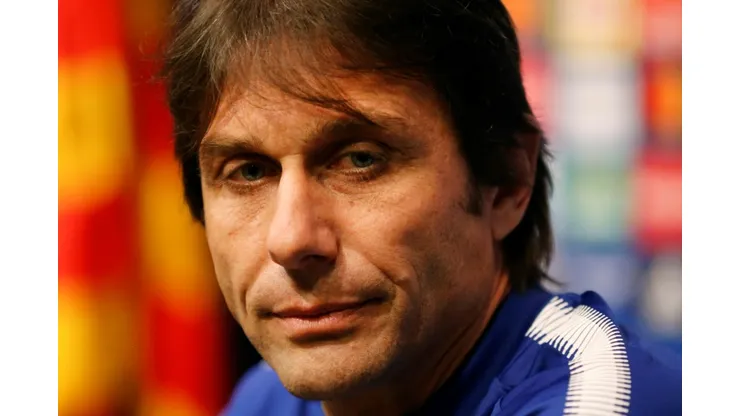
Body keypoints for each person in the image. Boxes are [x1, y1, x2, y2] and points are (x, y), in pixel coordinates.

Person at [161, 0, 681, 414]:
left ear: (506, 181)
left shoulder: (593, 399)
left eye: (360, 160)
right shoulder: (269, 398)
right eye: (249, 172)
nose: (291, 239)